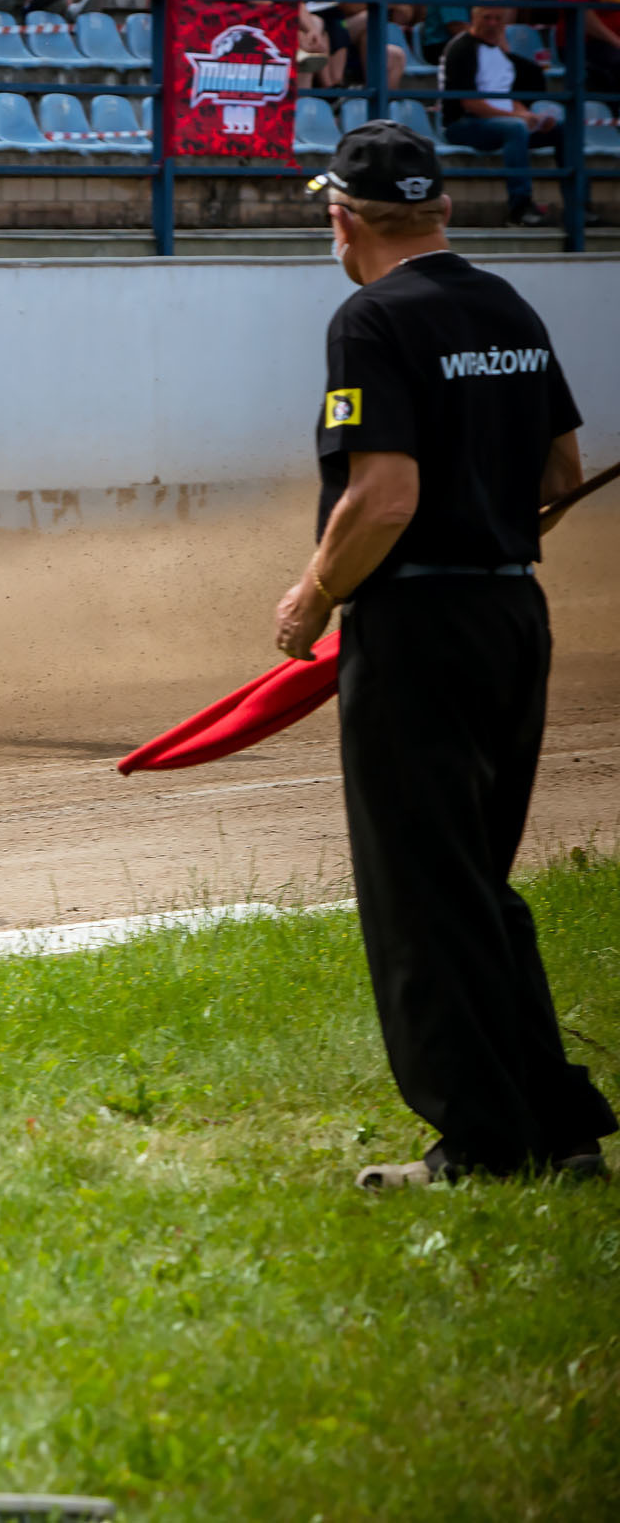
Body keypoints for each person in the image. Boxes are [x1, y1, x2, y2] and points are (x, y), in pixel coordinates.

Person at [278, 119, 609, 1190]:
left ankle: (480, 1142)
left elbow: (382, 496)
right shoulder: (505, 304)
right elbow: (562, 470)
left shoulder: (369, 320)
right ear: (443, 210)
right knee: (476, 879)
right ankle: (555, 1129)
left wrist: (310, 595)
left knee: (423, 891)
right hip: (513, 615)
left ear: (343, 220)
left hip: (416, 627)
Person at [441, 1, 569, 224]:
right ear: (474, 17)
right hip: (462, 124)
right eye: (486, 18)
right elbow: (471, 104)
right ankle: (520, 208)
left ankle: (578, 208)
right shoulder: (461, 48)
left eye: (498, 19)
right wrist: (519, 118)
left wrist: (532, 118)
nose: (492, 24)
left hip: (499, 123)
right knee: (516, 128)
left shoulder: (502, 54)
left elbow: (509, 97)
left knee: (562, 131)